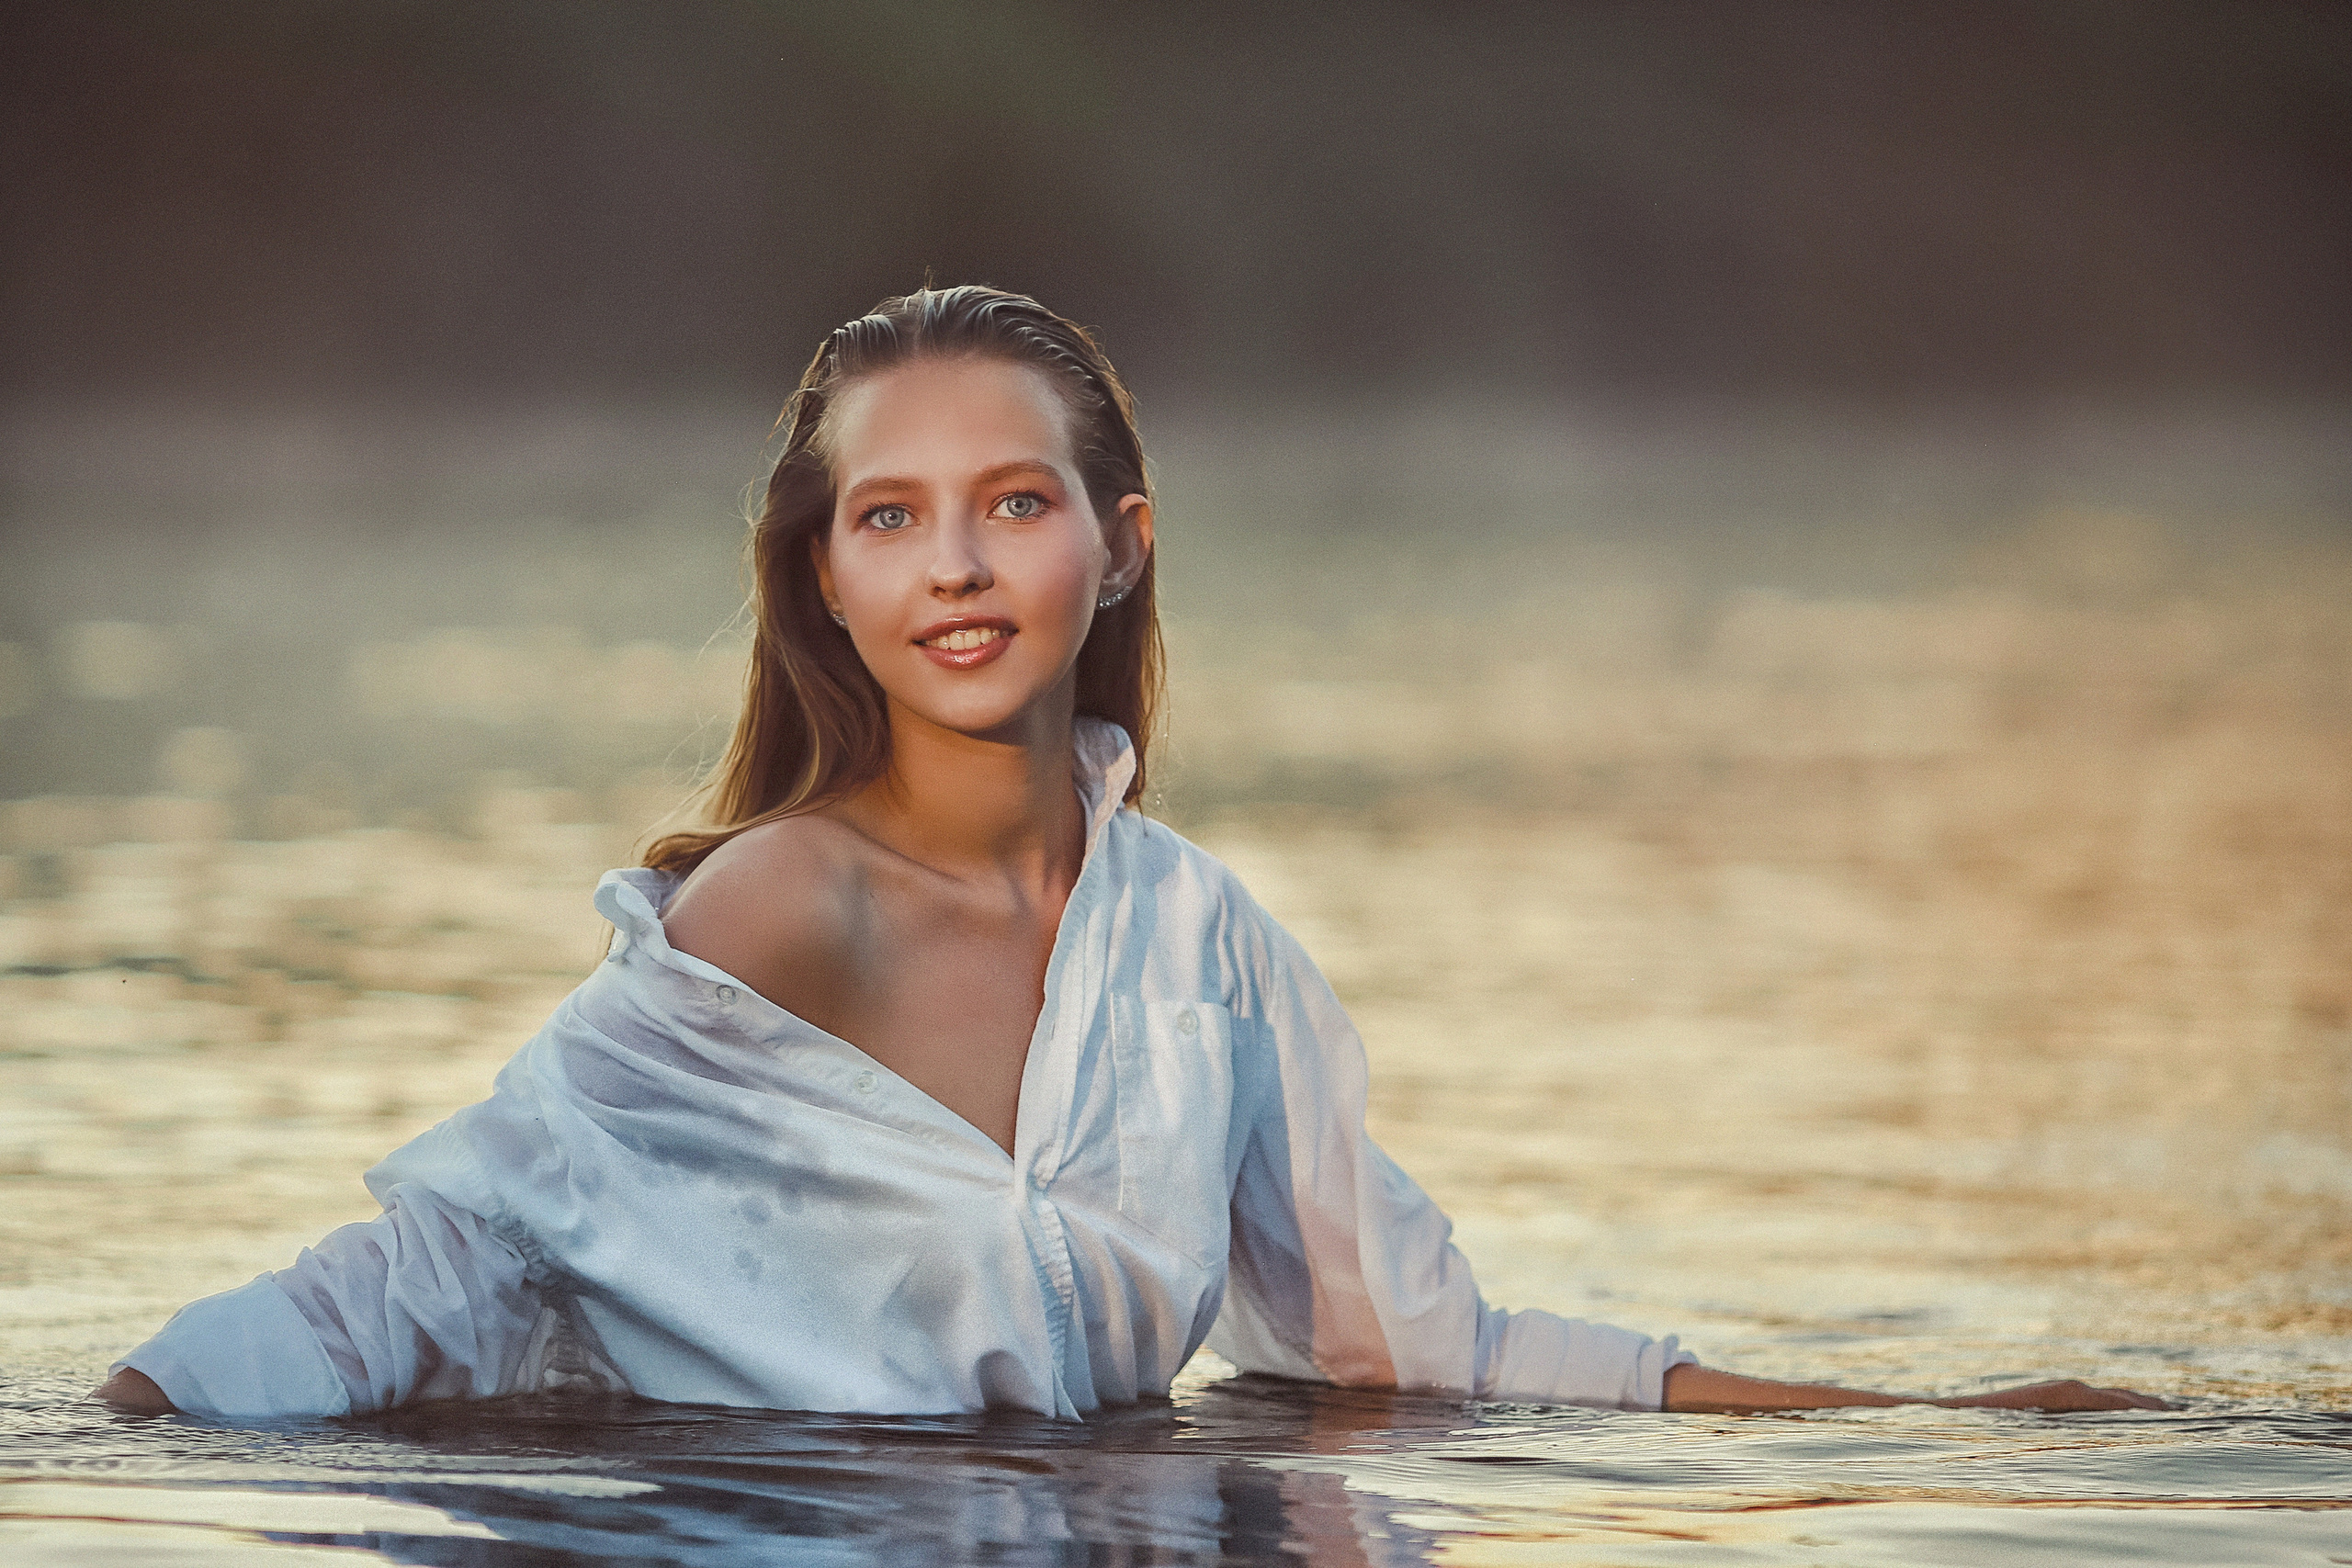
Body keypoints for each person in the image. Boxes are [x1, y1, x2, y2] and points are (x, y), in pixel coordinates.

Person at [96, 286, 2161, 1421]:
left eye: (1014, 502)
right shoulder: (781, 907)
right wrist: (136, 1416)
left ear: (1119, 544)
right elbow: (458, 1263)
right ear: (823, 579)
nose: (956, 565)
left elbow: (1402, 1345)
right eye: (889, 517)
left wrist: (1906, 1424)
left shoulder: (1200, 947)